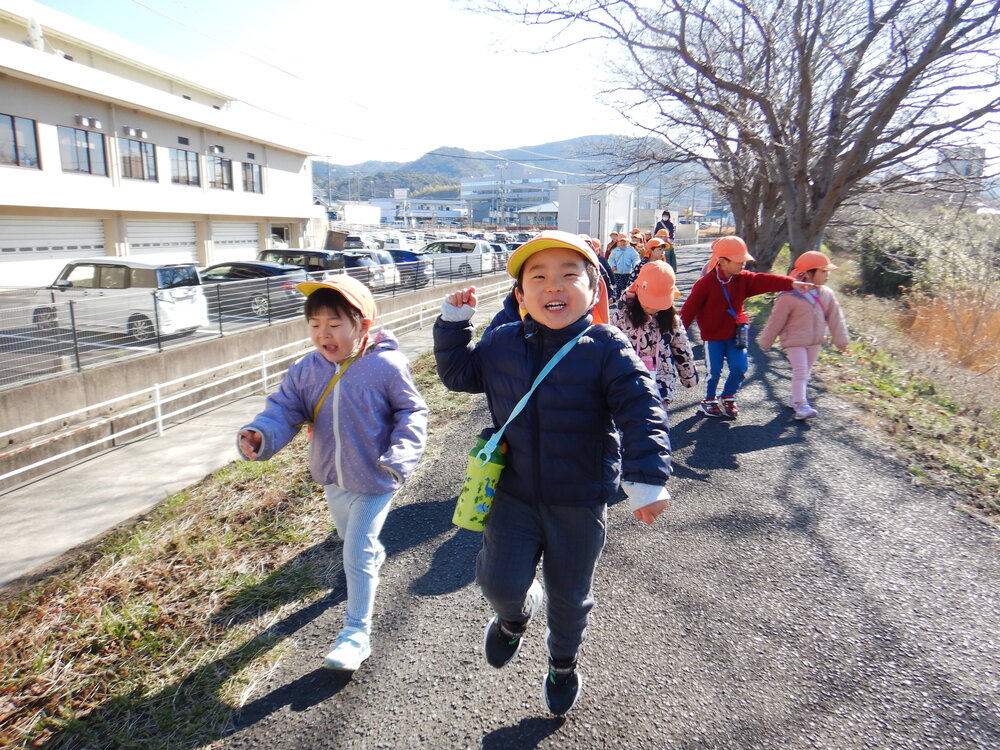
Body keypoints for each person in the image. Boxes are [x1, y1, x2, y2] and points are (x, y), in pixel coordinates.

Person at [433, 230, 671, 716]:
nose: (552, 287)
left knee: (569, 597)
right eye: (537, 278)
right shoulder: (501, 342)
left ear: (593, 290)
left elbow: (641, 408)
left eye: (569, 276)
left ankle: (562, 663)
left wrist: (647, 477)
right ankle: (513, 620)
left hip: (579, 500)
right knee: (499, 582)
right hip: (514, 494)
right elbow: (460, 375)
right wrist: (453, 325)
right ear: (520, 295)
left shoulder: (607, 346)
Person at [236, 276, 428, 671]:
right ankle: (370, 557)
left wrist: (399, 458)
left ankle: (356, 634)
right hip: (333, 478)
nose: (324, 334)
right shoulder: (306, 370)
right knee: (353, 542)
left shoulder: (386, 366)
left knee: (354, 550)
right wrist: (261, 434)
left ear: (362, 324)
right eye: (315, 324)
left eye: (335, 324)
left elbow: (413, 412)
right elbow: (283, 410)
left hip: (376, 477)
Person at [679, 236, 815, 419]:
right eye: (739, 261)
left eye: (744, 260)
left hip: (736, 335)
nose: (743, 264)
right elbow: (689, 309)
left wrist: (791, 283)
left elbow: (764, 280)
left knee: (740, 367)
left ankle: (728, 396)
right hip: (713, 337)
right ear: (722, 262)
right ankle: (709, 400)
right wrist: (678, 335)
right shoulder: (705, 284)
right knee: (714, 370)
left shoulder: (743, 279)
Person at [757, 251, 849, 420]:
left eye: (828, 271)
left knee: (806, 372)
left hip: (815, 341)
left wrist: (841, 341)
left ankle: (795, 399)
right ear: (807, 273)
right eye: (823, 271)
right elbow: (776, 321)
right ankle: (801, 405)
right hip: (795, 341)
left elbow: (836, 318)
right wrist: (766, 340)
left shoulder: (827, 294)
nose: (827, 275)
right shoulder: (789, 296)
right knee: (800, 371)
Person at [611, 261, 698, 413]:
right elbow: (610, 344)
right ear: (637, 290)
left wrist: (688, 376)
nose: (652, 307)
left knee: (656, 427)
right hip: (628, 382)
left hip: (660, 384)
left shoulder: (672, 320)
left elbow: (682, 348)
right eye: (649, 301)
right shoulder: (623, 316)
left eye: (659, 302)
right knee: (628, 425)